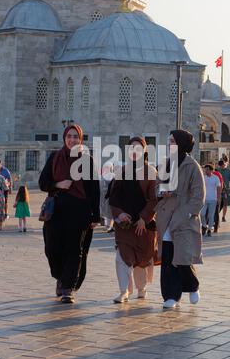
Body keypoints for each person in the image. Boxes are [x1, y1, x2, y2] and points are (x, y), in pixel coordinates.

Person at [39, 124, 100, 304]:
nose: (72, 139)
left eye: (76, 137)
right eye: (69, 136)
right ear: (64, 138)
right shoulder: (54, 158)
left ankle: (68, 287)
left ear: (80, 140)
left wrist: (95, 215)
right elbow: (43, 183)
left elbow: (94, 190)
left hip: (79, 211)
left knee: (74, 249)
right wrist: (59, 184)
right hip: (56, 211)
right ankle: (60, 277)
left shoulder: (86, 160)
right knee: (52, 248)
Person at [156, 130, 205, 309]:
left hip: (184, 218)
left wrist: (188, 213)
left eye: (173, 141)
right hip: (167, 215)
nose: (169, 144)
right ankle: (171, 295)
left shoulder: (192, 166)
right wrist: (162, 192)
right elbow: (157, 185)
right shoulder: (165, 164)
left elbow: (199, 194)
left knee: (183, 257)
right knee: (168, 257)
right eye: (168, 141)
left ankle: (192, 285)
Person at [109, 137, 157, 303]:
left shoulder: (150, 172)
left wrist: (144, 218)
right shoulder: (121, 171)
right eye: (132, 148)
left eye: (138, 148)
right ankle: (124, 291)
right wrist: (120, 214)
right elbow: (113, 198)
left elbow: (153, 199)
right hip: (124, 224)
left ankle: (141, 289)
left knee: (141, 260)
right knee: (121, 257)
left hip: (143, 225)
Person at [201, 164, 221, 237]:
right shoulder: (204, 178)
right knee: (202, 214)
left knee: (211, 215)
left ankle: (209, 229)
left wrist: (218, 198)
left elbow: (219, 188)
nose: (205, 171)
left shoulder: (216, 178)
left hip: (213, 199)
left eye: (207, 169)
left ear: (211, 170)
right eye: (205, 169)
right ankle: (204, 226)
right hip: (204, 199)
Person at [100, 163, 115, 233]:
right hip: (103, 196)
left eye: (107, 167)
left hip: (110, 196)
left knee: (109, 212)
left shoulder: (113, 176)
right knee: (105, 211)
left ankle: (110, 226)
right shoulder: (102, 176)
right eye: (105, 167)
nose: (106, 168)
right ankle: (107, 226)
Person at [0, 164, 7, 231]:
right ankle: (0, 226)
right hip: (0, 197)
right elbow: (6, 188)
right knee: (0, 211)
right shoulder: (2, 178)